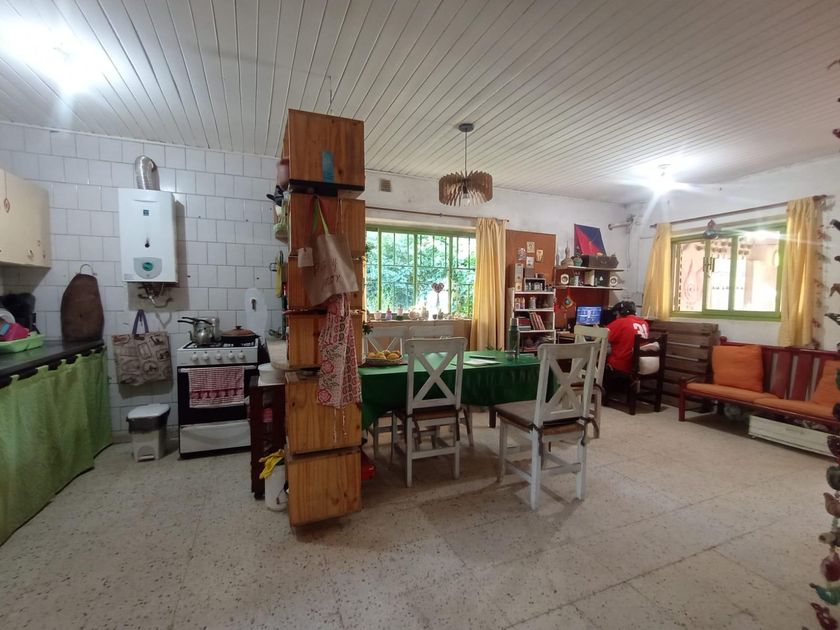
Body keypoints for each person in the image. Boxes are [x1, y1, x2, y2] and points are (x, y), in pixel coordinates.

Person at [605, 300, 649, 374]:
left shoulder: (621, 322)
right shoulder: (645, 323)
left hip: (621, 368)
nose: (616, 317)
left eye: (617, 314)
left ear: (622, 313)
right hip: (638, 366)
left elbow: (600, 336)